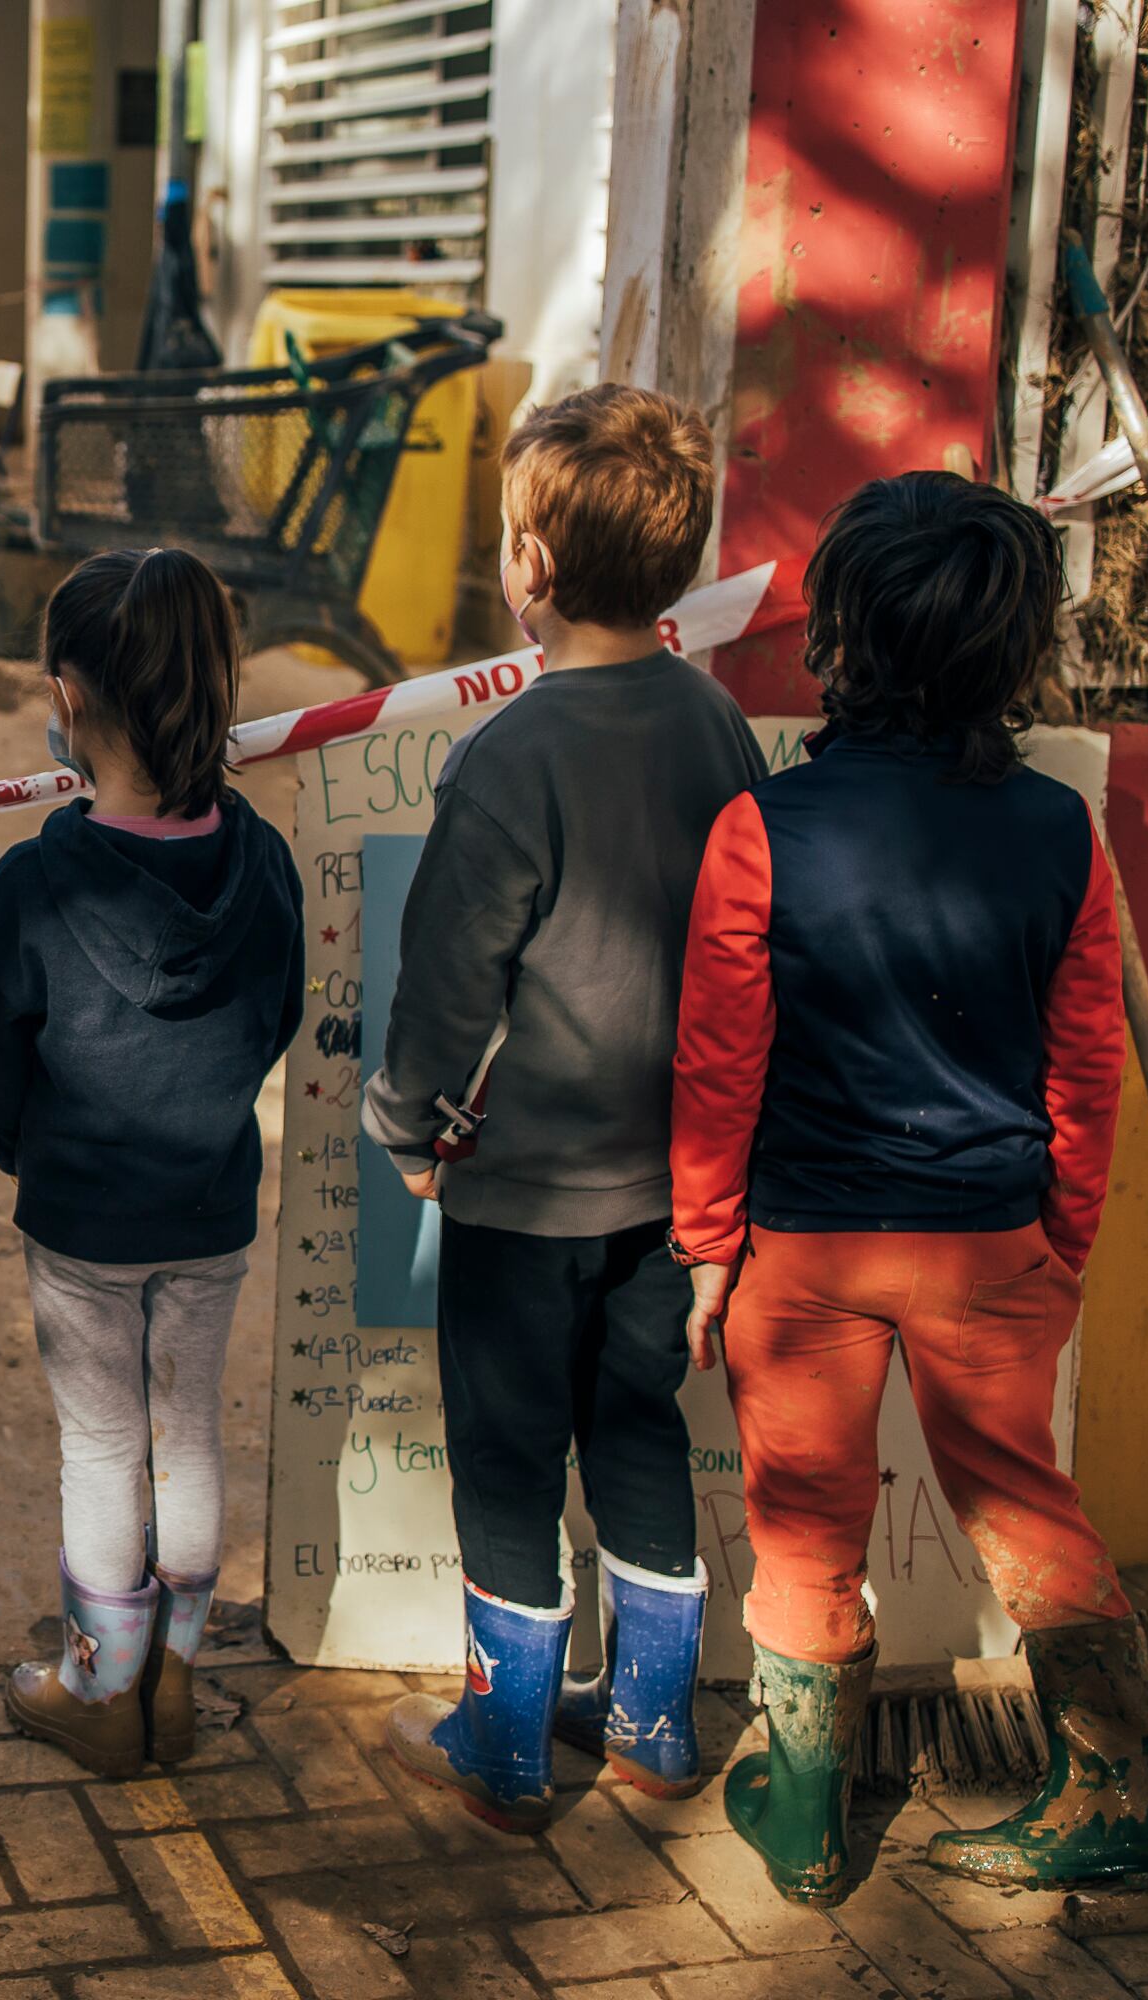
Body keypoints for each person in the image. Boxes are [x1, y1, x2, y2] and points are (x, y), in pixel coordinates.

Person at [675, 472, 1148, 1903]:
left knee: (803, 1522)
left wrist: (707, 1250)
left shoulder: (760, 829)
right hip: (993, 1243)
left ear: (843, 632)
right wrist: (1062, 1243)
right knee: (1029, 1511)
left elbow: (720, 1072)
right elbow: (1081, 1072)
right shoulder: (1057, 832)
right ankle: (1123, 1792)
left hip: (802, 1256)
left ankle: (807, 1818)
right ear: (1011, 649)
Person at [360, 385, 764, 1832]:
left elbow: (445, 988)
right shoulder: (718, 726)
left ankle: (507, 1749)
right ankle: (656, 1730)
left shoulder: (505, 757)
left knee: (511, 1458)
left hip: (523, 1199)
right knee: (641, 1428)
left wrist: (406, 1130)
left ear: (529, 563)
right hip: (676, 1193)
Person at [0, 548, 304, 1777]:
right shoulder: (261, 859)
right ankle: (174, 1681)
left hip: (83, 1222)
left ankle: (101, 1691)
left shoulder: (35, 884)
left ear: (66, 695)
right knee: (190, 1432)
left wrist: (30, 1148)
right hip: (211, 1205)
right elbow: (279, 1015)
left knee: (104, 1450)